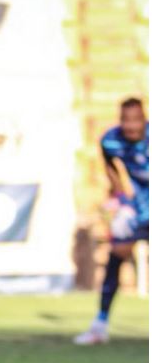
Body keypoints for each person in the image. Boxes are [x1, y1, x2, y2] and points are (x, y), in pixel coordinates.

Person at [74, 97, 149, 345]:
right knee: (116, 256)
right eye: (126, 120)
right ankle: (100, 325)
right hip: (137, 208)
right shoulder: (111, 140)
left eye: (136, 120)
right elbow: (110, 167)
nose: (131, 126)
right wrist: (120, 199)